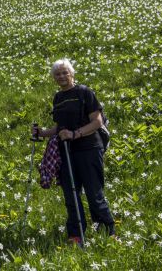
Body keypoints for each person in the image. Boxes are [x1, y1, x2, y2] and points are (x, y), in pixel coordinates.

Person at [33, 58, 115, 244]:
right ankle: (76, 234)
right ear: (54, 78)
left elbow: (97, 122)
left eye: (64, 72)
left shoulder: (84, 92)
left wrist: (75, 134)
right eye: (58, 74)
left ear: (72, 73)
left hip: (89, 149)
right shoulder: (58, 98)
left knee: (94, 193)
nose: (62, 76)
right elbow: (60, 127)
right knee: (71, 194)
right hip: (67, 152)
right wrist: (43, 133)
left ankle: (107, 231)